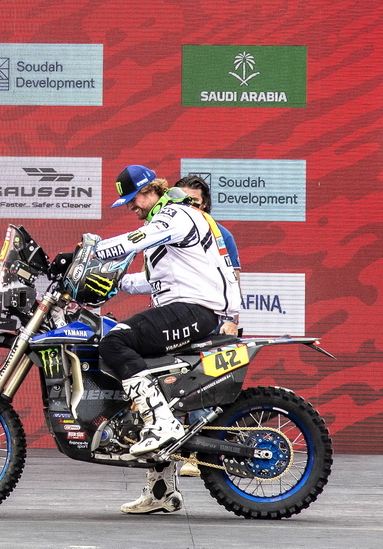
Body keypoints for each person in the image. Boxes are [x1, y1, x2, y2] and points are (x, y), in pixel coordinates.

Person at [87, 165, 241, 514]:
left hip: (194, 310)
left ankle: (162, 423)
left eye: (134, 199)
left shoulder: (175, 214)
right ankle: (161, 491)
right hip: (187, 307)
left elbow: (134, 240)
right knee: (156, 384)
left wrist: (90, 253)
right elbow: (155, 282)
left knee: (114, 343)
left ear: (151, 190)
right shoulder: (166, 225)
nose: (131, 207)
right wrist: (114, 284)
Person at [173, 174, 240, 478]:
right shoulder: (166, 230)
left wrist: (232, 320)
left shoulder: (220, 235)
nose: (189, 206)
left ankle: (197, 454)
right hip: (172, 321)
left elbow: (232, 280)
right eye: (183, 201)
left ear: (206, 205)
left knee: (203, 386)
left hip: (209, 321)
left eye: (195, 202)